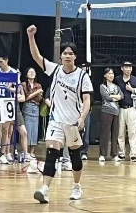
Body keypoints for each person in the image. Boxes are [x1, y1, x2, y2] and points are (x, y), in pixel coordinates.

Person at [27, 25, 93, 203]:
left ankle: (77, 186)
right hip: (56, 120)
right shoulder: (55, 69)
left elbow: (87, 99)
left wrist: (82, 117)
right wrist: (31, 37)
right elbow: (36, 56)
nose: (67, 56)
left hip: (73, 122)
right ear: (61, 56)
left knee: (74, 156)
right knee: (52, 153)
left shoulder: (82, 76)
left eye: (71, 53)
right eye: (65, 53)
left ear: (75, 57)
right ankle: (45, 189)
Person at [114, 61, 136, 162]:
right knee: (120, 132)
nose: (128, 69)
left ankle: (133, 154)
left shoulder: (135, 80)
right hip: (120, 109)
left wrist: (132, 90)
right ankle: (121, 153)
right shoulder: (117, 79)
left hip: (132, 108)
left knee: (132, 132)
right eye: (126, 67)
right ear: (122, 68)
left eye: (130, 67)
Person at [99, 68, 122, 162]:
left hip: (116, 112)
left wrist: (113, 96)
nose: (111, 75)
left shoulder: (116, 87)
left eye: (112, 73)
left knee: (115, 134)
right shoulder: (102, 86)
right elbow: (106, 97)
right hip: (106, 111)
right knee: (105, 134)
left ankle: (114, 154)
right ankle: (102, 154)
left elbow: (121, 96)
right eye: (109, 73)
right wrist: (115, 97)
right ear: (105, 75)